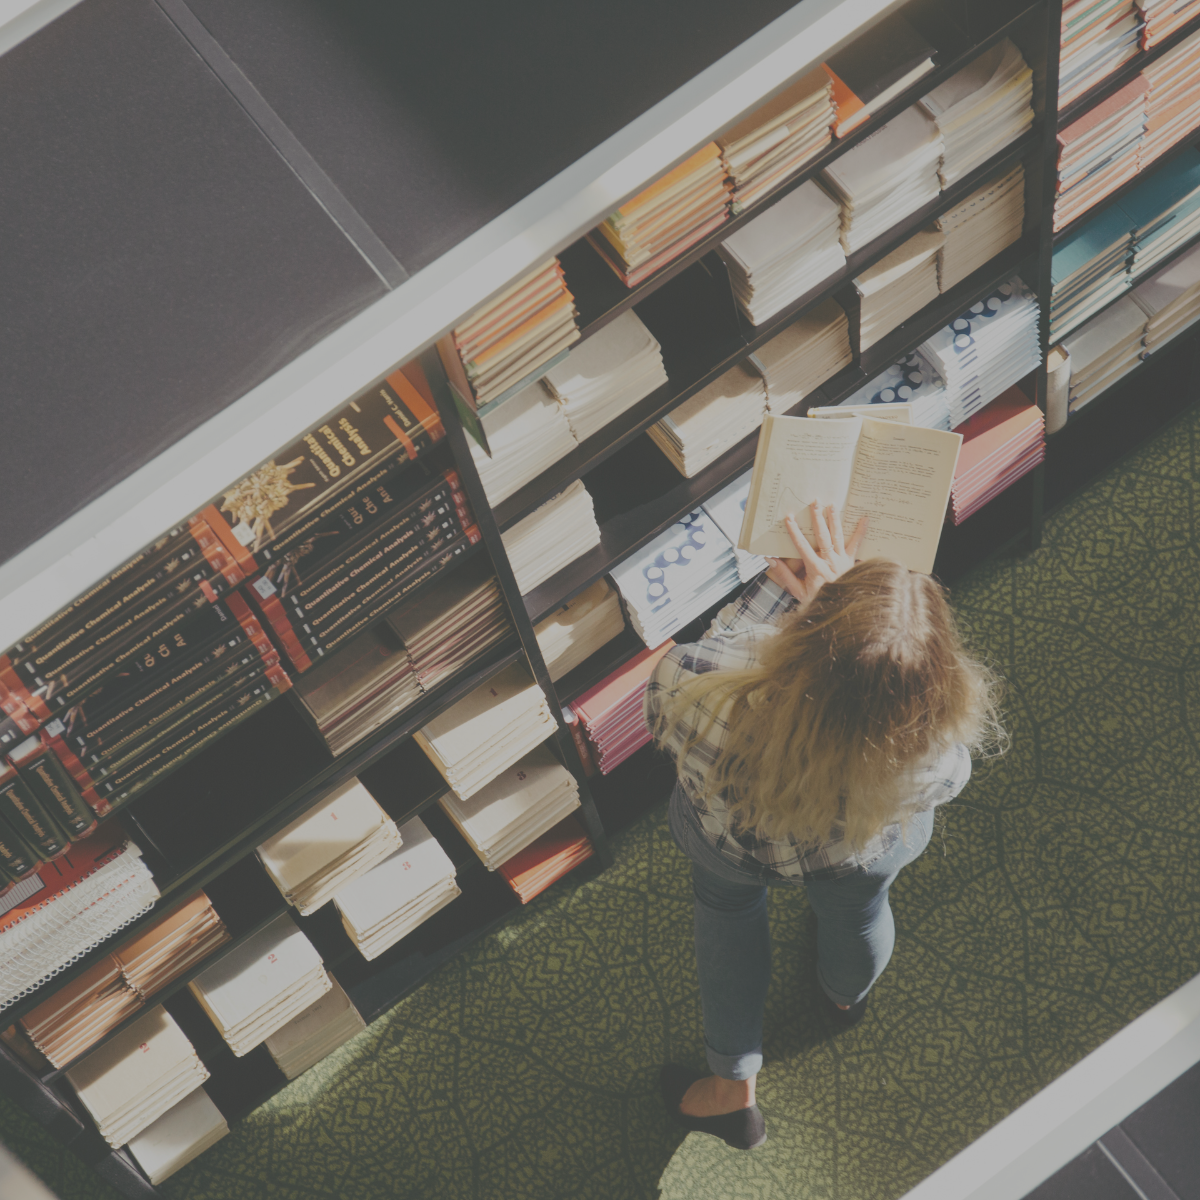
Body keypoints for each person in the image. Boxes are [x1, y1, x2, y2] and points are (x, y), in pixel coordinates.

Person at [647, 501, 1003, 1151]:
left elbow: (698, 669)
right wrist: (845, 630)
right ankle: (843, 996)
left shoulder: (695, 682)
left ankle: (732, 1091)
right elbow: (951, 776)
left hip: (732, 844)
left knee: (725, 918)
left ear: (805, 638)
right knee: (861, 914)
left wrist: (811, 610)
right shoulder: (924, 742)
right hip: (864, 849)